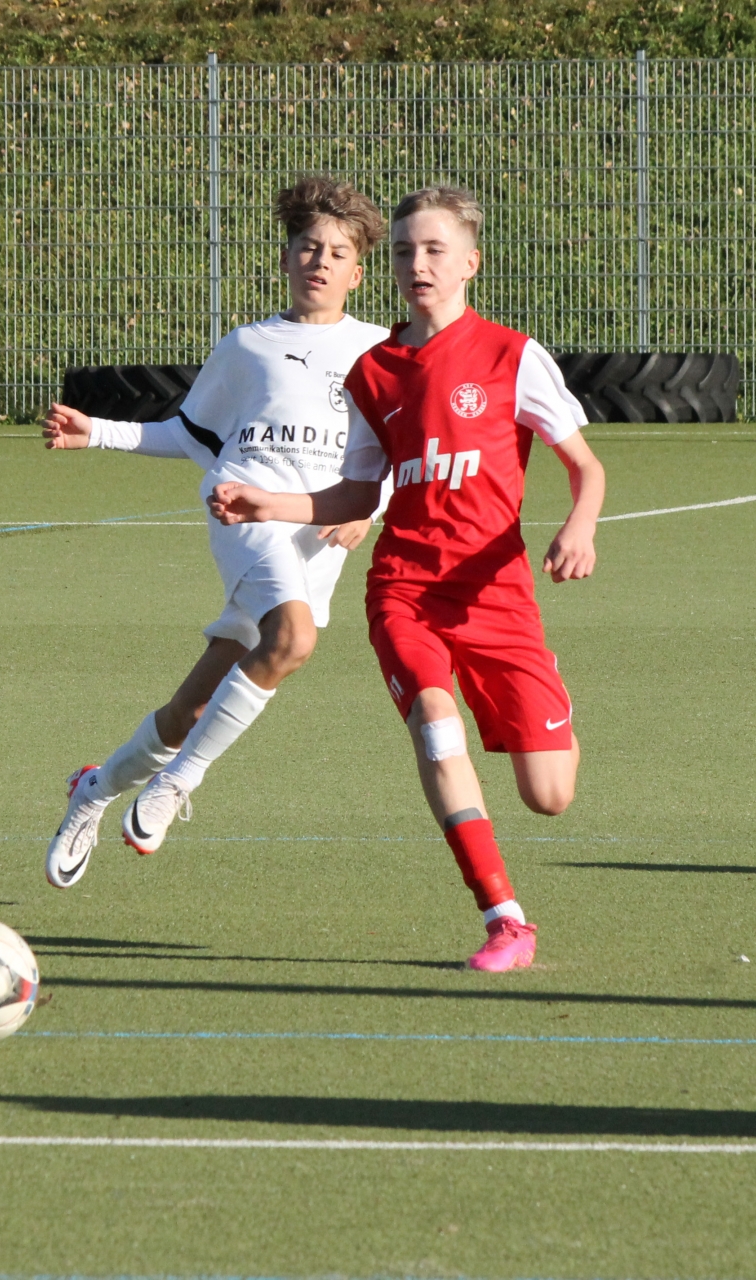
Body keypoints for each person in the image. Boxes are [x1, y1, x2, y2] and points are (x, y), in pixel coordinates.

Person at [210, 185, 606, 972]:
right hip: (406, 589)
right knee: (434, 721)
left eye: (432, 250)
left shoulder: (512, 356)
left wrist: (579, 524)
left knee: (549, 794)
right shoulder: (376, 372)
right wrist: (270, 502)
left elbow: (585, 467)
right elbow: (358, 495)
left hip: (496, 595)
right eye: (401, 251)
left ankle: (540, 696)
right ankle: (505, 919)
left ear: (470, 263)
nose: (415, 264)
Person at [39, 176, 391, 889]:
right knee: (293, 639)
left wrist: (369, 508)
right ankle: (177, 782)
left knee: (191, 710)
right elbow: (191, 435)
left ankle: (95, 790)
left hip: (317, 538)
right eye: (308, 247)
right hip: (243, 511)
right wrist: (97, 431)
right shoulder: (248, 346)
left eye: (337, 253)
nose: (320, 262)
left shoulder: (382, 352)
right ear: (285, 257)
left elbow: (396, 454)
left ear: (358, 272)